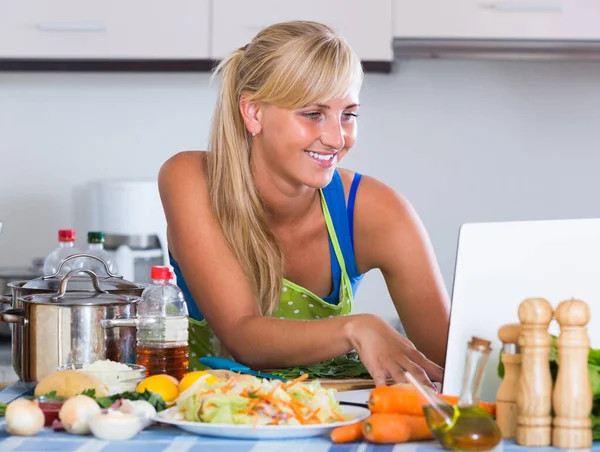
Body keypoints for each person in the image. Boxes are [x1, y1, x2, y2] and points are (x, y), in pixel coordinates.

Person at [158, 20, 450, 388]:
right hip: (211, 422)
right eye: (313, 114)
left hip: (336, 421)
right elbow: (243, 335)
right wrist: (356, 328)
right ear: (253, 112)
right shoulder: (191, 178)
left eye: (349, 114)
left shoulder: (375, 210)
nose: (336, 138)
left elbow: (448, 358)